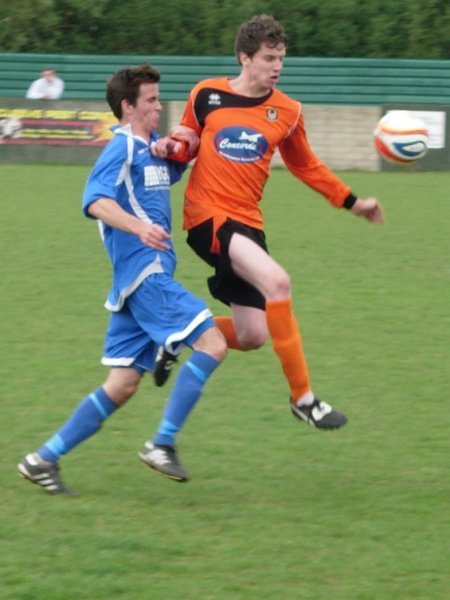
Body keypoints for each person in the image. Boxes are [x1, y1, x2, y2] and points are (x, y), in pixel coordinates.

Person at [153, 14, 384, 429]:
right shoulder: (206, 94)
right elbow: (186, 140)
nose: (277, 66)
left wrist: (352, 203)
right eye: (268, 57)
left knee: (253, 335)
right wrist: (176, 143)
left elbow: (306, 167)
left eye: (281, 58)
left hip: (248, 224)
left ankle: (176, 336)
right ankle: (304, 399)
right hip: (206, 216)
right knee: (278, 282)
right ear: (245, 58)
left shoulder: (288, 111)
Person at [17, 64, 227, 495]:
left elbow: (171, 169)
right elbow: (94, 200)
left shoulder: (148, 147)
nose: (158, 107)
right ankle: (162, 443)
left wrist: (184, 144)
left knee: (122, 385)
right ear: (127, 107)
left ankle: (42, 459)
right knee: (213, 343)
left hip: (137, 284)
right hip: (145, 275)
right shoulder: (122, 147)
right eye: (150, 100)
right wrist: (138, 227)